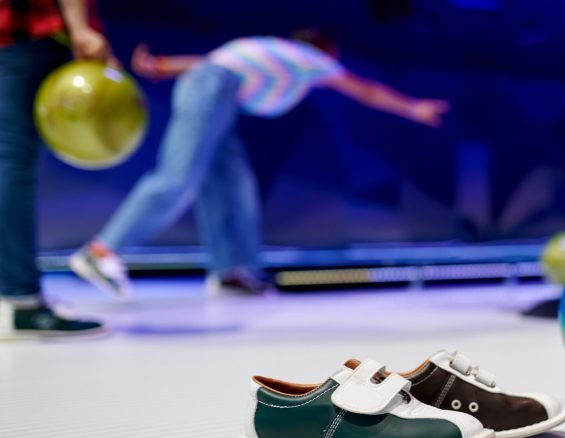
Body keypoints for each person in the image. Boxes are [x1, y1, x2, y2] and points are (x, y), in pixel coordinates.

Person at [70, 30, 450, 299]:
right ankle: (101, 251)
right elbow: (362, 88)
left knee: (233, 186)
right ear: (323, 50)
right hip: (214, 89)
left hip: (219, 93)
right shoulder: (311, 58)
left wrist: (162, 66)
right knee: (178, 176)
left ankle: (233, 272)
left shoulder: (271, 55)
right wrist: (412, 108)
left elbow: (205, 63)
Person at [0, 0, 111, 339]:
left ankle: (16, 294)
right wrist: (79, 28)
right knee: (11, 158)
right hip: (23, 32)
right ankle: (19, 301)